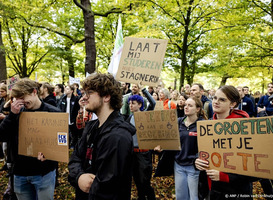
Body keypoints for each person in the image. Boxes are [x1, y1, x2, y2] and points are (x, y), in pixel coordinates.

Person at [68, 73, 135, 200]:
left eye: (90, 92)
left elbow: (107, 187)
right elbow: (75, 159)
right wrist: (79, 177)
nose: (85, 97)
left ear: (106, 97)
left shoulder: (118, 136)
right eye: (85, 92)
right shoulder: (91, 127)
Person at [0, 78, 59, 200]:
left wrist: (50, 154)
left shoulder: (53, 112)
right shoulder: (16, 113)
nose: (21, 101)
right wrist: (12, 115)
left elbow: (62, 141)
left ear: (34, 92)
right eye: (18, 98)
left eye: (23, 97)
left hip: (44, 173)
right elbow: (2, 135)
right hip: (20, 173)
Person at [195, 85, 257, 200]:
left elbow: (257, 168)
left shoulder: (245, 127)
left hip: (235, 192)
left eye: (222, 99)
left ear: (232, 104)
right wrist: (198, 162)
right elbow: (201, 153)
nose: (216, 102)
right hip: (209, 190)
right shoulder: (207, 126)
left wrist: (226, 177)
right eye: (214, 98)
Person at [175, 97, 207, 200]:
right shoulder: (179, 122)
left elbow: (207, 146)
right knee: (181, 196)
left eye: (190, 105)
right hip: (179, 164)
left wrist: (198, 158)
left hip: (193, 167)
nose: (186, 107)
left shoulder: (203, 125)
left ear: (198, 109)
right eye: (185, 105)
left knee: (194, 197)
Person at [127, 86, 156, 200]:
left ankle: (150, 196)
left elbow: (153, 103)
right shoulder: (129, 118)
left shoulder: (146, 115)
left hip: (144, 154)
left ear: (140, 104)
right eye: (129, 103)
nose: (131, 105)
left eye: (133, 103)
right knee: (137, 180)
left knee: (145, 181)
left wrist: (144, 90)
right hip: (133, 154)